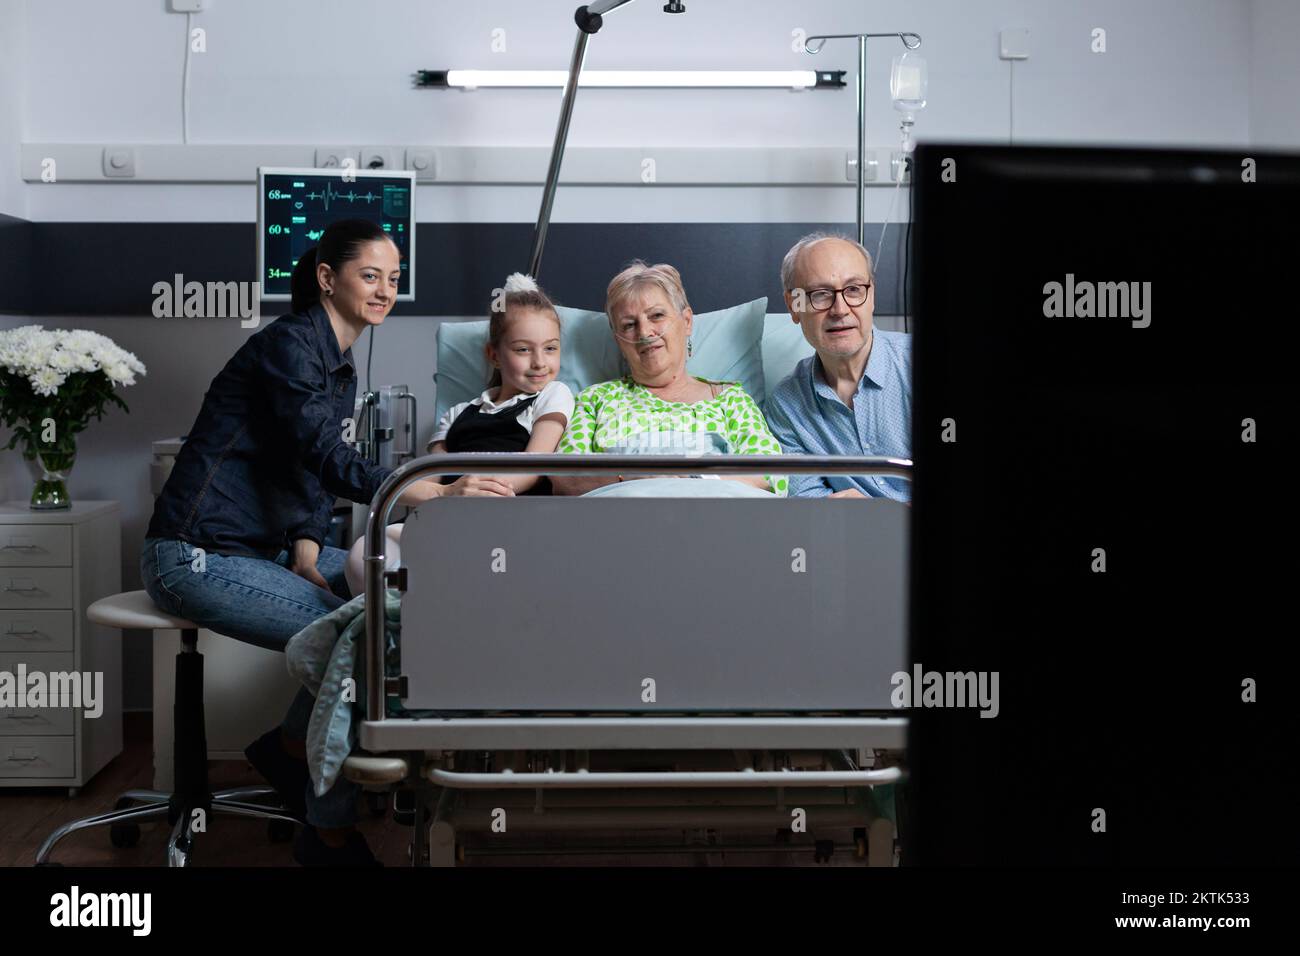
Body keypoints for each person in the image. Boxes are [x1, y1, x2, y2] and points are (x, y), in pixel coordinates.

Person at [140, 218, 442, 866]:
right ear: (327, 278)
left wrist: (306, 547)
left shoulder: (338, 365)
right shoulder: (289, 345)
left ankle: (288, 749)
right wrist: (418, 489)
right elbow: (325, 453)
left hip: (260, 549)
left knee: (392, 606)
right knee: (359, 634)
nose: (385, 290)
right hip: (192, 554)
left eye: (393, 278)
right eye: (370, 275)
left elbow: (308, 472)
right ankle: (325, 830)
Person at [342, 273, 574, 595]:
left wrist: (482, 490)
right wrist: (443, 497)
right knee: (363, 553)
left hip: (508, 521)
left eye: (550, 349)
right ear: (494, 355)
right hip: (446, 518)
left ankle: (424, 600)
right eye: (523, 349)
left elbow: (534, 465)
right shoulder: (457, 413)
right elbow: (431, 476)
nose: (539, 362)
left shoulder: (552, 395)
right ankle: (404, 609)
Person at [552, 261, 786, 497]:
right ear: (618, 341)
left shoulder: (730, 399)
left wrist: (692, 479)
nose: (644, 332)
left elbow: (769, 476)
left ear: (687, 322)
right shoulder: (595, 400)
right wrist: (631, 477)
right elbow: (564, 480)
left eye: (656, 315)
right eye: (629, 325)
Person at [763, 233, 911, 501]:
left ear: (871, 296)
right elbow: (811, 502)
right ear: (794, 306)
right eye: (820, 294)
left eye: (854, 289)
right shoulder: (785, 407)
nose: (840, 309)